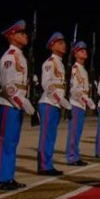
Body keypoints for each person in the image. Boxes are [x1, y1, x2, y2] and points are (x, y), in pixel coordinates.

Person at [0, 20, 37, 190]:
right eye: (21, 33)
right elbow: (6, 83)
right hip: (9, 103)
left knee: (12, 142)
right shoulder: (10, 56)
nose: (25, 36)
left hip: (16, 104)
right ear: (12, 36)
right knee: (5, 141)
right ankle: (1, 178)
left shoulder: (20, 55)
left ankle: (8, 176)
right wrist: (21, 100)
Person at [37, 32, 71, 176]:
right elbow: (47, 84)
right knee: (47, 136)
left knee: (51, 136)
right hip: (49, 102)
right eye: (59, 43)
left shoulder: (60, 63)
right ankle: (44, 166)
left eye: (63, 43)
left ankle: (48, 164)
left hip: (55, 103)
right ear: (52, 46)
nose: (63, 45)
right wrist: (59, 99)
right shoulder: (50, 63)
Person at [66, 41, 94, 166]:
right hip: (76, 103)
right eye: (81, 51)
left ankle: (75, 155)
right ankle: (72, 157)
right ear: (75, 54)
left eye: (85, 50)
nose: (85, 52)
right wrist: (85, 98)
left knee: (77, 132)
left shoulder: (83, 70)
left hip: (81, 104)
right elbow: (73, 88)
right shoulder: (75, 69)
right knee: (74, 132)